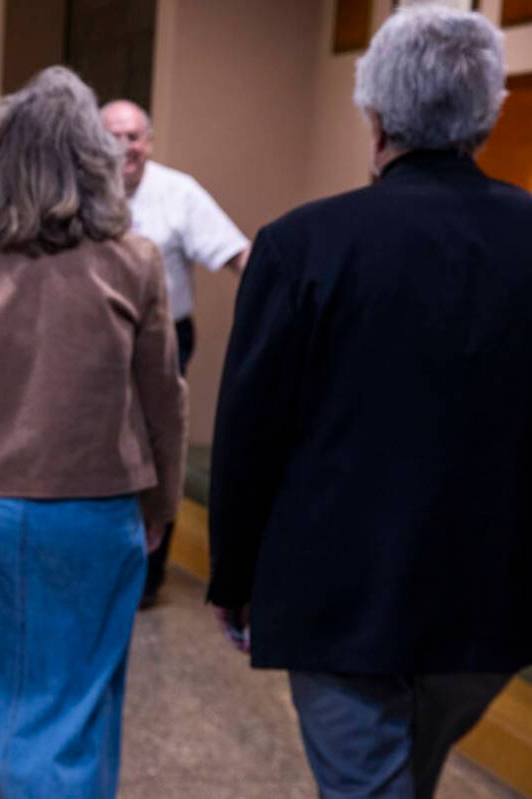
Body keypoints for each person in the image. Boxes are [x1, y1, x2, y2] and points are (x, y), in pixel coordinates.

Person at [207, 7, 531, 799]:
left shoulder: (300, 244)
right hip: (497, 593)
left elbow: (251, 431)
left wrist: (234, 575)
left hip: (338, 596)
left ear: (375, 117)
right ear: (488, 115)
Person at [0, 66, 187, 797]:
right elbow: (163, 396)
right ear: (97, 158)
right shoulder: (133, 259)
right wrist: (163, 503)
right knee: (84, 700)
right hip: (97, 512)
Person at [99, 99, 249, 609]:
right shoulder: (77, 189)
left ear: (150, 142)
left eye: (135, 136)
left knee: (157, 439)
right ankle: (100, 556)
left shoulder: (177, 191)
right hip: (92, 338)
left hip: (164, 337)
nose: (126, 147)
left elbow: (237, 253)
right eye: (114, 135)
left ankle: (146, 572)